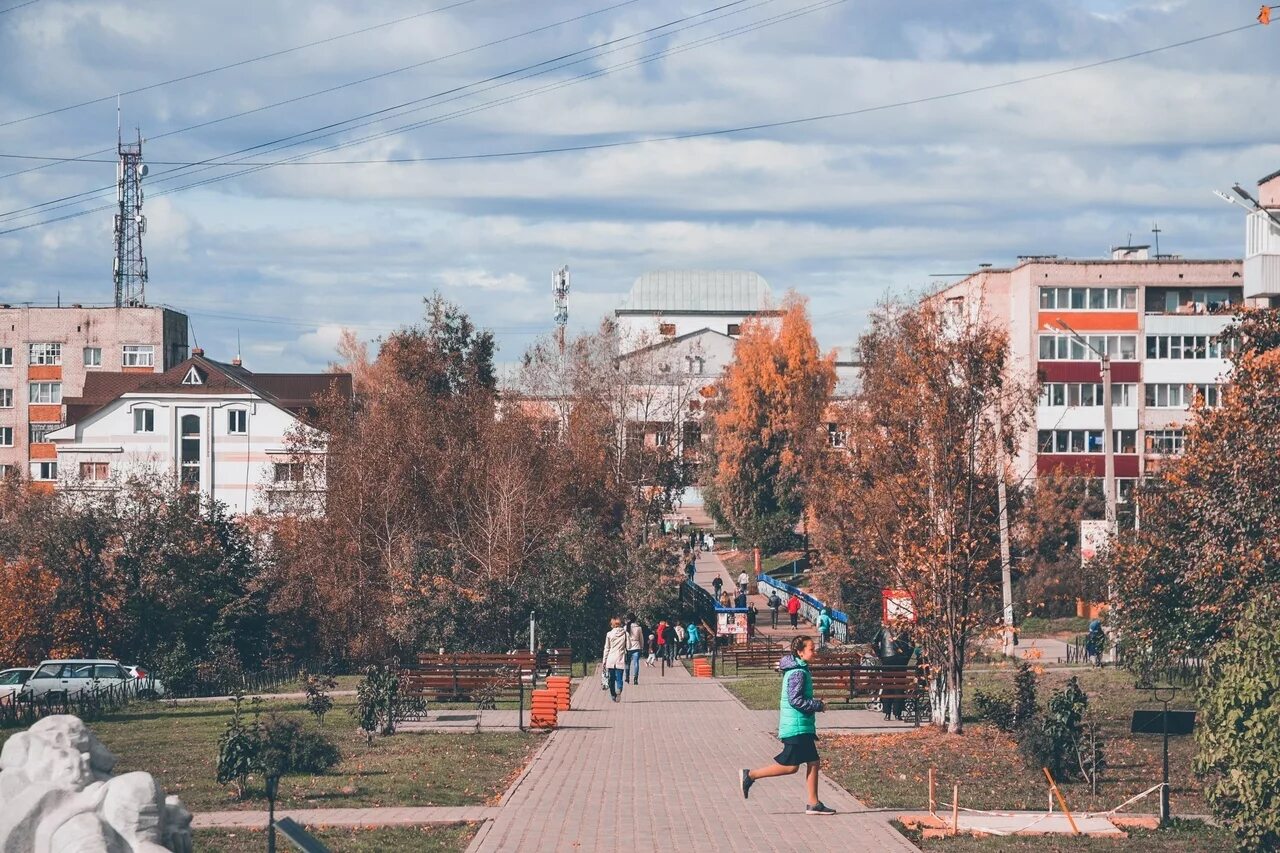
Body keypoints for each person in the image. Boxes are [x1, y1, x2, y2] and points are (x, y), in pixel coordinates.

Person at [739, 635, 835, 815]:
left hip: (799, 725)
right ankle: (750, 775)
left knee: (811, 762)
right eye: (811, 649)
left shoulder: (799, 669)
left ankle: (814, 803)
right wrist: (818, 705)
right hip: (796, 726)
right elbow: (796, 700)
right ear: (800, 652)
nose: (814, 652)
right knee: (792, 766)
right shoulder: (798, 672)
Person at [872, 623, 913, 721]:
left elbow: (873, 642)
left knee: (887, 686)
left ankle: (887, 713)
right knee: (899, 686)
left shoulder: (884, 629)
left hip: (886, 658)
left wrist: (880, 655)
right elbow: (912, 645)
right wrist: (906, 656)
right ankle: (898, 713)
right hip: (901, 659)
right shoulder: (904, 628)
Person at [602, 617, 628, 702]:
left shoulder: (609, 634)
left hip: (611, 658)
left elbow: (607, 648)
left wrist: (604, 660)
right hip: (620, 657)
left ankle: (613, 695)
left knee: (611, 678)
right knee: (619, 677)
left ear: (612, 625)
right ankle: (619, 689)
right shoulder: (625, 633)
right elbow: (629, 645)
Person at [624, 613, 645, 684]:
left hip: (628, 647)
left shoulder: (625, 627)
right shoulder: (638, 628)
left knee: (627, 663)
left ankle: (627, 677)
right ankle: (635, 679)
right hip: (636, 646)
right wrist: (642, 646)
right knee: (636, 663)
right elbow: (641, 638)